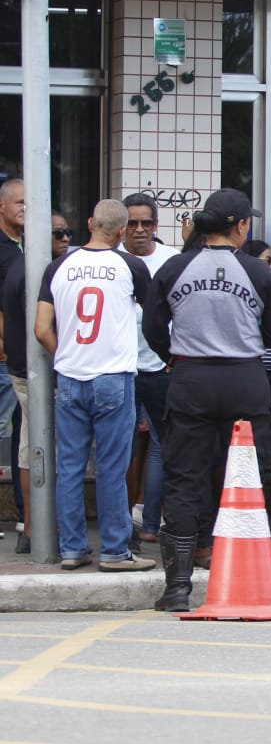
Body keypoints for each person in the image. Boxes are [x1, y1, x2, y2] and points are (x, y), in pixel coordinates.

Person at [143, 189, 271, 611]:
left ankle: (176, 587)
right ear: (241, 225)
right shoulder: (259, 273)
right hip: (245, 377)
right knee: (248, 478)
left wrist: (173, 357)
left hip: (191, 376)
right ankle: (245, 573)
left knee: (184, 478)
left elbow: (154, 329)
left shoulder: (174, 268)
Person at [35, 199, 155, 572]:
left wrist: (66, 357)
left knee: (69, 467)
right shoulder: (131, 266)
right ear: (121, 232)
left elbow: (41, 329)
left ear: (89, 223)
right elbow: (152, 321)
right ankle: (115, 551)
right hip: (114, 378)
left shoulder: (58, 267)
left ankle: (72, 549)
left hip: (70, 376)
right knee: (111, 467)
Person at [3, 213, 69, 554]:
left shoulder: (24, 266)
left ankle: (34, 528)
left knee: (31, 449)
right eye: (57, 234)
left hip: (26, 372)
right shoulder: (36, 271)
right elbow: (42, 330)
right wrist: (67, 361)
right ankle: (43, 528)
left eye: (67, 232)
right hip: (39, 374)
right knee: (48, 450)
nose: (65, 239)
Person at [121, 192, 180, 545]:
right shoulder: (111, 261)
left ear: (156, 226)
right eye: (132, 223)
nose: (139, 230)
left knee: (162, 445)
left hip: (162, 367)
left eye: (146, 223)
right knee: (121, 448)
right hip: (121, 369)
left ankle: (150, 525)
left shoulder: (172, 260)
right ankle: (123, 526)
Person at [0, 179, 24, 531]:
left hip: (27, 362)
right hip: (6, 359)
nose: (25, 208)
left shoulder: (33, 246)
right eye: (19, 202)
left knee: (26, 438)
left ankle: (25, 514)